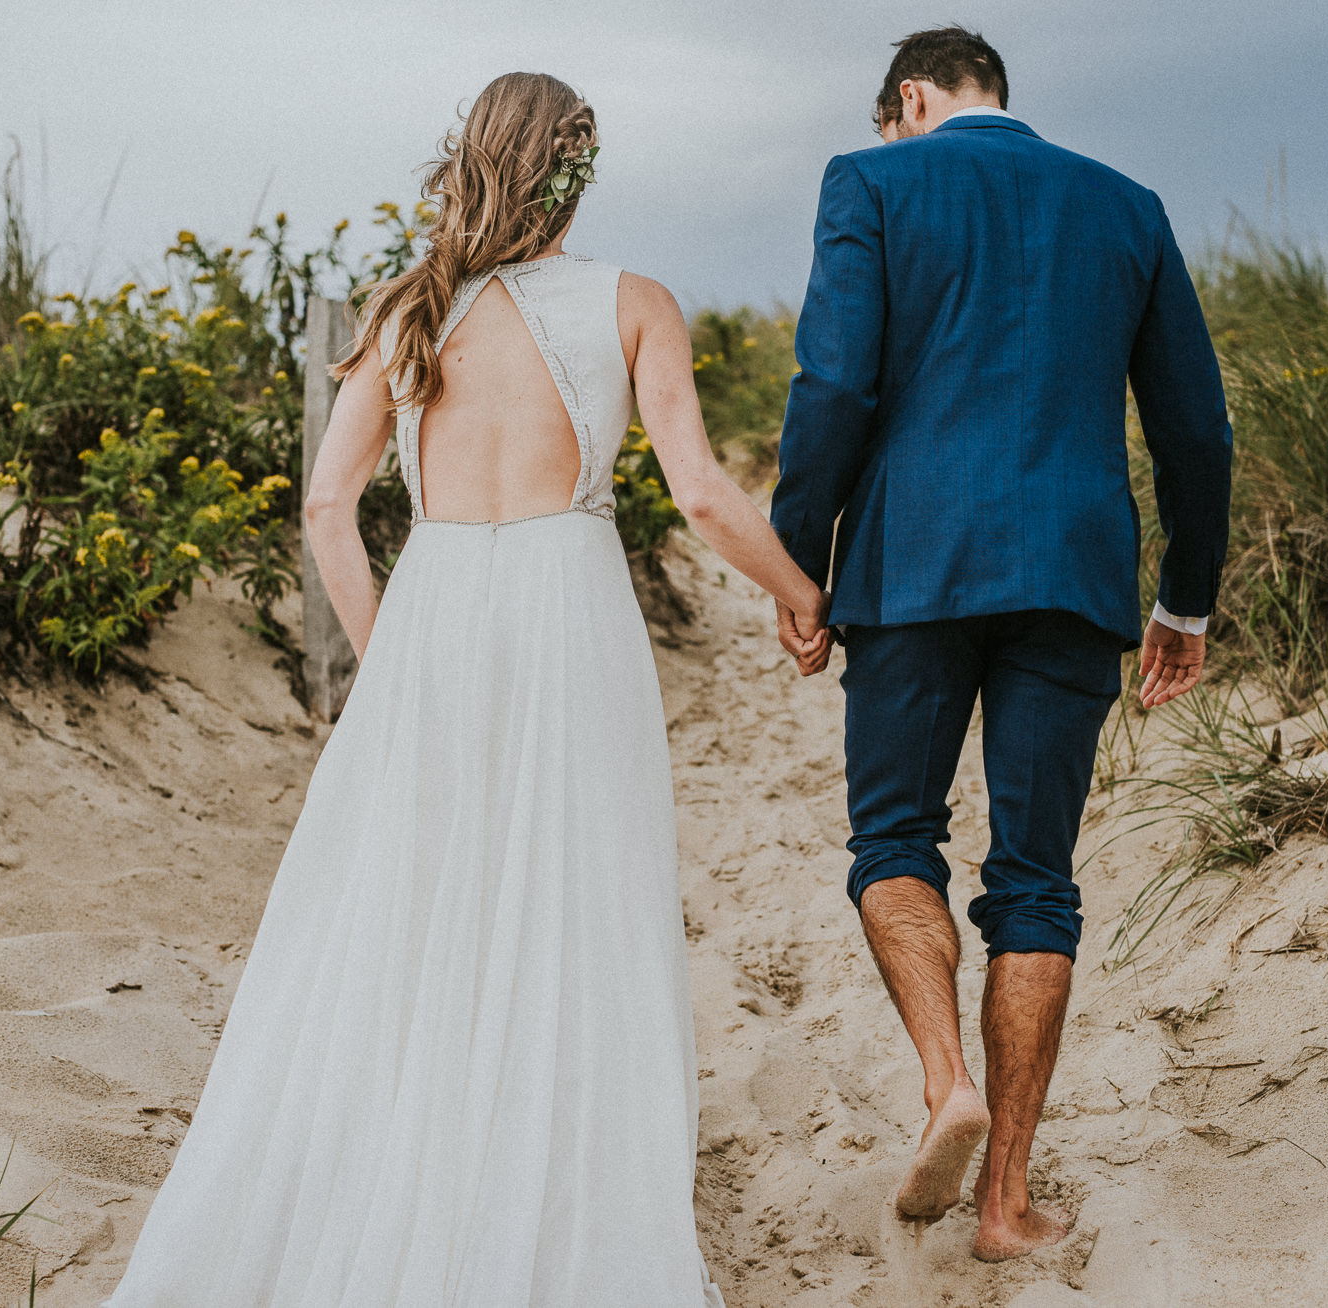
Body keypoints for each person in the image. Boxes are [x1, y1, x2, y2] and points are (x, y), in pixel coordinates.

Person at [100, 71, 828, 1306]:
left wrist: (395, 661)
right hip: (567, 610)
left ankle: (403, 1165)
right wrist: (798, 591)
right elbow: (701, 492)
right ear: (576, 169)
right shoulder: (633, 302)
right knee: (572, 903)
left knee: (410, 909)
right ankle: (546, 1194)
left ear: (471, 160)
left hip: (435, 610)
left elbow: (329, 509)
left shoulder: (406, 310)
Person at [769, 26, 1233, 1262]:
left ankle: (943, 1085)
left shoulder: (869, 181)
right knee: (1036, 881)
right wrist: (1184, 600)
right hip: (1070, 575)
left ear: (909, 97)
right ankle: (1007, 1204)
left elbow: (832, 388)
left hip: (910, 566)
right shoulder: (1124, 206)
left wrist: (796, 560)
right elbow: (1195, 429)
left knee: (892, 836)